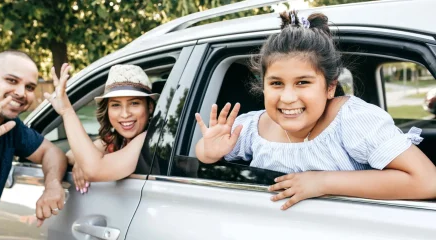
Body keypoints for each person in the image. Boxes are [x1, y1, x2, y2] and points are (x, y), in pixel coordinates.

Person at [195, 11, 436, 210]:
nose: (288, 98)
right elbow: (202, 154)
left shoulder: (352, 120)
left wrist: (321, 182)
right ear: (263, 87)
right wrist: (209, 151)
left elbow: (428, 181)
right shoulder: (252, 128)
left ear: (330, 88)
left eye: (303, 82)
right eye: (276, 83)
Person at [0, 50, 67, 239]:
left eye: (30, 87)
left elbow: (51, 151)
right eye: (12, 81)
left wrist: (52, 185)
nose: (21, 93)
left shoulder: (11, 126)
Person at [45, 64, 156, 193]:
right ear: (107, 110)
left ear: (149, 108)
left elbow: (95, 170)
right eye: (115, 105)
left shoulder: (147, 139)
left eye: (134, 103)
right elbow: (70, 155)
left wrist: (67, 112)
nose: (125, 114)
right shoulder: (117, 139)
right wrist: (81, 161)